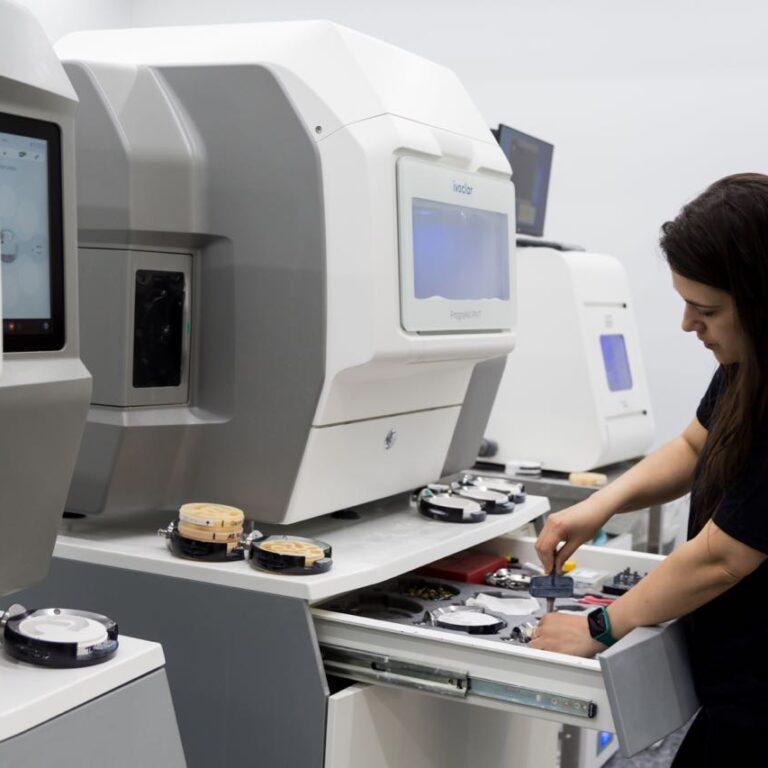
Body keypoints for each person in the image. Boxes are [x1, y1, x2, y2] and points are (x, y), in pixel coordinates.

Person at [530, 173, 768, 766]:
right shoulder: (749, 363)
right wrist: (600, 505)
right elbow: (693, 446)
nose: (688, 324)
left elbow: (722, 558)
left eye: (705, 309)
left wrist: (599, 627)